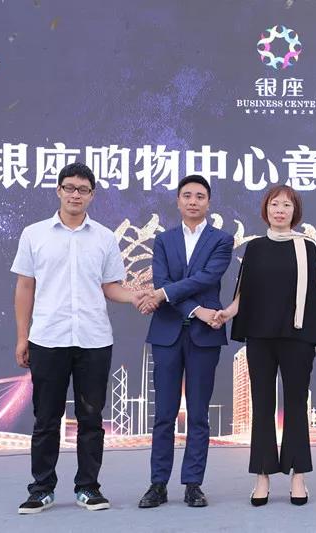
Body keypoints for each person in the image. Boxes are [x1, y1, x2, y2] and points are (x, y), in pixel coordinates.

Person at [12, 162, 151, 514]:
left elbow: (111, 287)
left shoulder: (104, 237)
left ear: (92, 195)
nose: (75, 194)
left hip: (93, 339)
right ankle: (41, 489)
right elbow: (25, 287)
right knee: (46, 418)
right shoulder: (34, 234)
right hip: (48, 338)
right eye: (70, 188)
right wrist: (22, 337)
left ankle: (88, 488)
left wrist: (134, 296)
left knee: (91, 419)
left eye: (83, 189)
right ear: (59, 190)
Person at [215, 184, 316, 507]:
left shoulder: (307, 246)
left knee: (296, 405)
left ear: (295, 212)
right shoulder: (254, 248)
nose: (280, 210)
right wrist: (228, 313)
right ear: (265, 209)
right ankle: (262, 475)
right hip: (260, 336)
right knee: (262, 405)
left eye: (286, 205)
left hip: (297, 336)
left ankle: (298, 475)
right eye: (274, 204)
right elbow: (243, 294)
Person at [137, 174, 234, 509]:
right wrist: (196, 310)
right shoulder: (164, 240)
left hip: (205, 337)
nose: (193, 201)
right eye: (187, 195)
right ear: (178, 201)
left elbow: (206, 278)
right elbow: (162, 281)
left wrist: (165, 295)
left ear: (209, 202)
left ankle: (193, 484)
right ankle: (157, 484)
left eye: (200, 196)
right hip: (167, 333)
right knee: (164, 413)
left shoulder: (222, 239)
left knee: (198, 413)